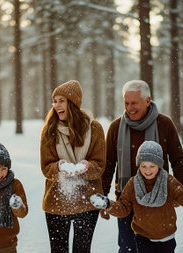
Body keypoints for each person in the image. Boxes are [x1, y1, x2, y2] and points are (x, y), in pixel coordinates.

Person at [101, 80, 183, 252]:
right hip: (126, 201)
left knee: (159, 248)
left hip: (158, 200)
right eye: (126, 103)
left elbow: (178, 159)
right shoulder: (116, 127)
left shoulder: (165, 124)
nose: (129, 107)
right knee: (128, 248)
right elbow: (108, 165)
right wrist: (103, 197)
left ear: (148, 100)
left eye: (134, 103)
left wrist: (179, 191)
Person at [91, 141, 183, 253]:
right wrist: (108, 204)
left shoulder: (168, 182)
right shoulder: (133, 184)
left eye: (152, 166)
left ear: (159, 165)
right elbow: (123, 208)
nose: (147, 170)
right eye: (143, 166)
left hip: (167, 239)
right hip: (142, 238)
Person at [40, 80, 106, 253]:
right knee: (58, 250)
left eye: (61, 100)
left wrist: (87, 167)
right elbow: (46, 167)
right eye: (54, 101)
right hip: (56, 201)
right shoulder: (49, 130)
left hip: (87, 201)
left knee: (82, 250)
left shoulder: (95, 128)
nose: (56, 105)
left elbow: (100, 165)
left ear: (73, 102)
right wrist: (59, 167)